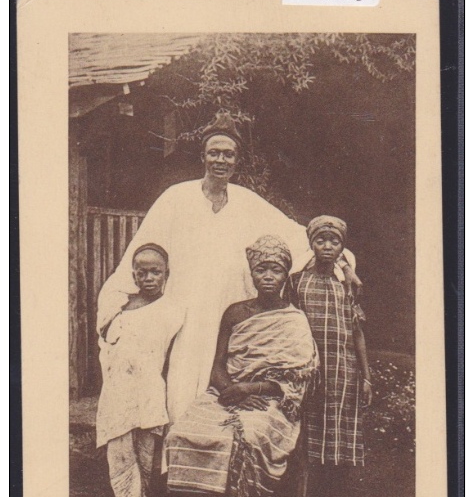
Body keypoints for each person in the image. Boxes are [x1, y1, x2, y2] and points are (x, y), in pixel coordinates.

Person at [97, 112, 358, 424]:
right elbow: (144, 252)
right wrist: (120, 299)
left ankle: (222, 460)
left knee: (229, 383)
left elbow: (298, 236)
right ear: (203, 156)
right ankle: (178, 454)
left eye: (228, 154)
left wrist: (343, 261)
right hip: (187, 308)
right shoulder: (175, 198)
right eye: (214, 153)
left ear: (237, 160)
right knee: (182, 377)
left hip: (231, 310)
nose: (220, 160)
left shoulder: (247, 202)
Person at [165, 235, 317, 497]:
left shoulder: (294, 319)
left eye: (276, 270)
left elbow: (296, 377)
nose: (268, 276)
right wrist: (230, 391)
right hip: (227, 392)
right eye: (262, 270)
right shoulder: (236, 312)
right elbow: (218, 366)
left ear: (286, 274)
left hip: (272, 397)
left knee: (248, 436)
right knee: (182, 432)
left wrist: (251, 389)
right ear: (252, 274)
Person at [284, 216, 372, 497]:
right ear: (311, 244)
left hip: (343, 371)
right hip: (310, 369)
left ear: (342, 247)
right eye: (321, 240)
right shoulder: (296, 282)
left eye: (334, 241)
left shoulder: (348, 284)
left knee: (339, 436)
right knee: (309, 434)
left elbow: (357, 331)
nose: (327, 246)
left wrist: (366, 376)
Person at [96, 243, 183, 497]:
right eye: (142, 272)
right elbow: (107, 340)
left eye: (155, 272)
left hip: (149, 386)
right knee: (120, 444)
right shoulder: (119, 306)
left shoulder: (172, 309)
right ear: (133, 275)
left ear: (166, 274)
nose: (148, 278)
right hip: (118, 386)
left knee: (146, 448)